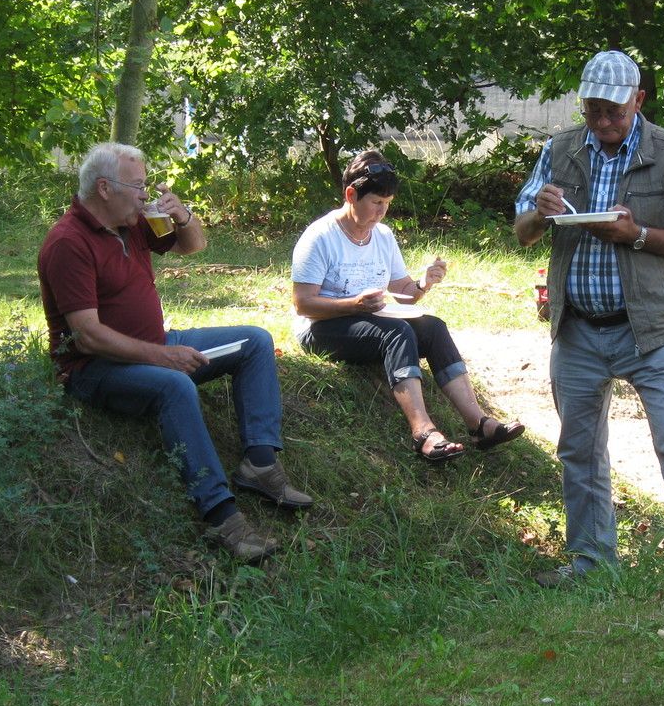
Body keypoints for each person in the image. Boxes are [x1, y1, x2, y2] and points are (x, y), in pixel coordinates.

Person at [37, 142, 312, 562]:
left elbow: (193, 246)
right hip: (95, 368)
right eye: (140, 185)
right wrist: (164, 357)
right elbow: (87, 336)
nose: (147, 194)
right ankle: (222, 517)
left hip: (154, 344)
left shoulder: (132, 222)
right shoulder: (68, 243)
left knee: (254, 340)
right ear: (106, 188)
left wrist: (183, 215)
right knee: (174, 387)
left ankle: (259, 463)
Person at [514, 50, 664, 586]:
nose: (603, 122)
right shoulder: (558, 150)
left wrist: (639, 235)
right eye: (592, 111)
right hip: (578, 327)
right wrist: (540, 209)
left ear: (638, 101)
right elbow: (522, 231)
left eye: (614, 112)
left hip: (651, 329)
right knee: (579, 451)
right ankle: (591, 564)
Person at [291, 150, 524, 462]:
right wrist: (354, 304)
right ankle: (423, 432)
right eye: (376, 202)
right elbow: (304, 304)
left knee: (433, 327)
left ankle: (478, 424)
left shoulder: (383, 236)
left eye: (387, 203)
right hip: (320, 328)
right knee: (397, 332)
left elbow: (403, 291)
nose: (383, 211)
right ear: (351, 194)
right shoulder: (320, 237)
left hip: (369, 320)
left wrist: (424, 283)